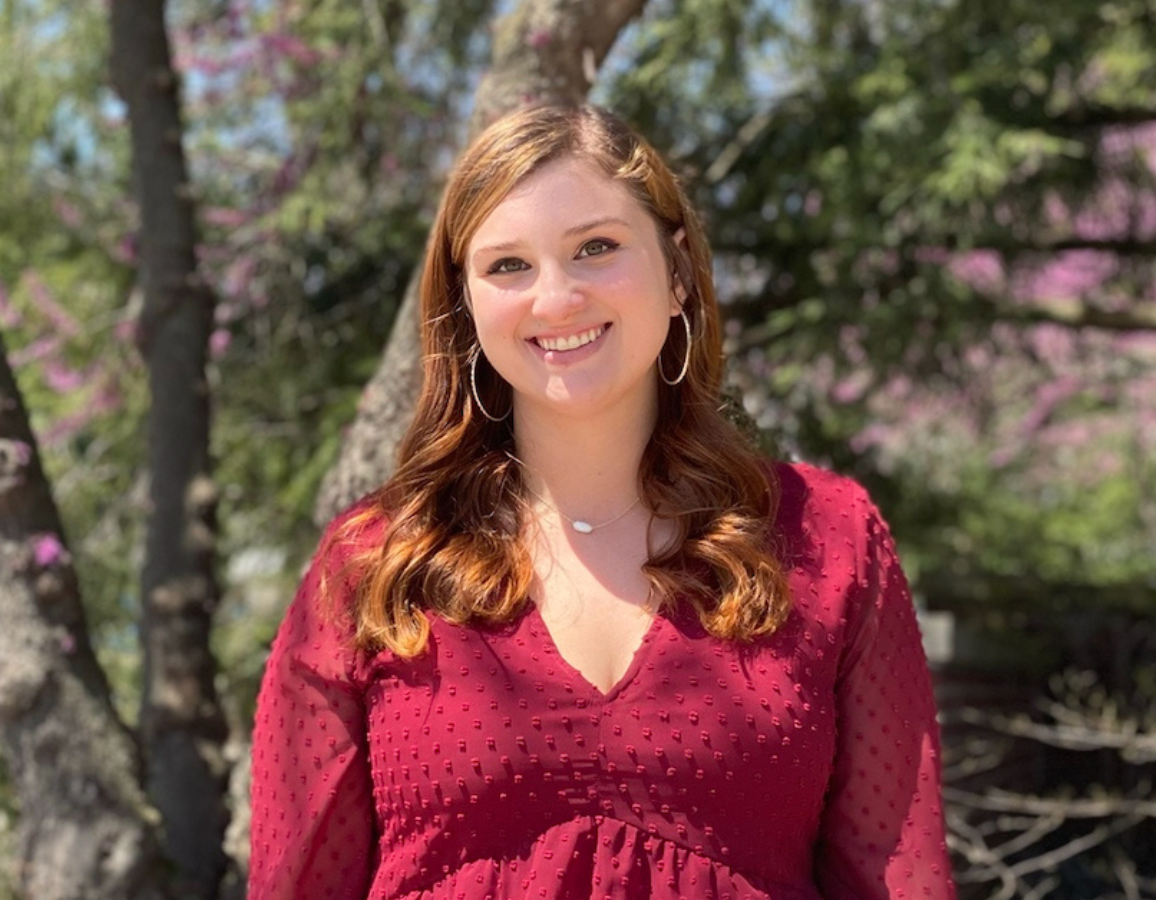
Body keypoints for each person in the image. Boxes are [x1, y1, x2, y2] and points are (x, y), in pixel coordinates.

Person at [248, 104, 955, 900]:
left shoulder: (829, 542)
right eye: (508, 266)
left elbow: (899, 879)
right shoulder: (374, 563)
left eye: (596, 248)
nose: (557, 299)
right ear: (467, 307)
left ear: (679, 271)